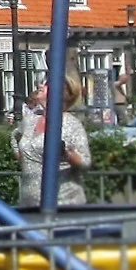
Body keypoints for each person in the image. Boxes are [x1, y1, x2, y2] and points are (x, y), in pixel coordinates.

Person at [15, 73, 90, 206]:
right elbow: (14, 137)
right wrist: (24, 157)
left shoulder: (71, 124)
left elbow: (85, 162)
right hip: (29, 202)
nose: (40, 86)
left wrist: (67, 155)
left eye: (46, 84)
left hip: (63, 202)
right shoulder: (30, 121)